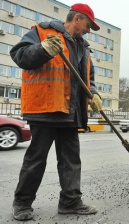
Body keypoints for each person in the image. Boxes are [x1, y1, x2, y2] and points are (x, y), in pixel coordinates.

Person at [10, 3, 103, 221]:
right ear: (77, 19)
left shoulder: (84, 47)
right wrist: (42, 49)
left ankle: (70, 202)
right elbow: (19, 56)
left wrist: (94, 93)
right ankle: (22, 204)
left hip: (70, 112)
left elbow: (88, 78)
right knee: (36, 159)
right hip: (45, 108)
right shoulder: (42, 32)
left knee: (71, 159)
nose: (89, 30)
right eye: (88, 25)